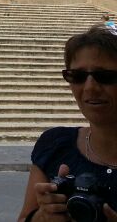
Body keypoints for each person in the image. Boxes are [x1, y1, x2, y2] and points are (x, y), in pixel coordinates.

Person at [17, 26, 117, 222]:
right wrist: (42, 217)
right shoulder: (54, 144)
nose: (90, 87)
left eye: (104, 76)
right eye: (77, 76)